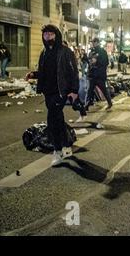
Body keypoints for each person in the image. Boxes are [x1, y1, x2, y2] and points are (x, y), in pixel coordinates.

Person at [25, 25, 79, 167]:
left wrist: (74, 90)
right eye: (45, 34)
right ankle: (66, 145)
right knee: (58, 118)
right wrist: (34, 74)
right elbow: (43, 72)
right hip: (48, 91)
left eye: (50, 34)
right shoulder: (44, 52)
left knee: (52, 120)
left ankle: (57, 150)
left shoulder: (65, 51)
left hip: (60, 91)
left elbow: (74, 72)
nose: (48, 37)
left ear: (56, 35)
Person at [86, 38, 112, 111]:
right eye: (92, 42)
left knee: (103, 90)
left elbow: (105, 62)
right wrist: (90, 62)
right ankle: (87, 105)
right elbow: (89, 61)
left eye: (94, 42)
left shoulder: (102, 51)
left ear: (97, 42)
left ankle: (109, 102)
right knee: (89, 90)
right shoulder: (91, 52)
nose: (93, 43)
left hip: (99, 75)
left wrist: (97, 61)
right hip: (92, 74)